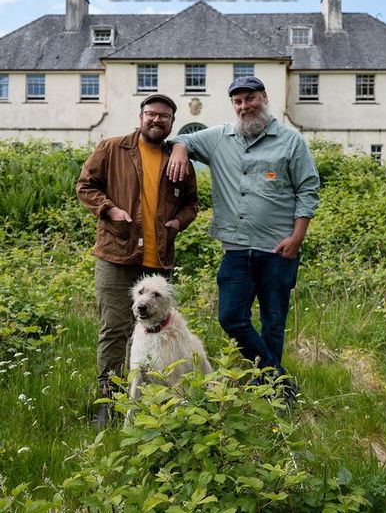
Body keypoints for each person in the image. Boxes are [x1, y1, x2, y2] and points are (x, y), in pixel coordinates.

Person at [167, 76, 319, 403]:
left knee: (273, 323)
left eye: (250, 98)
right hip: (235, 251)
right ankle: (277, 379)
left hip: (279, 250)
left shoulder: (291, 141)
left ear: (264, 97)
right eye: (237, 101)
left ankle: (270, 394)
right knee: (231, 318)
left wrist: (297, 237)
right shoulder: (219, 138)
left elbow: (308, 189)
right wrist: (180, 149)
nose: (244, 106)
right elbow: (183, 139)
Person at [76, 94, 198, 426]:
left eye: (164, 116)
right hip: (117, 253)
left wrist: (179, 222)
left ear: (172, 122)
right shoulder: (112, 148)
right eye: (151, 114)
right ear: (141, 116)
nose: (157, 120)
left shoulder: (177, 158)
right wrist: (109, 209)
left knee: (154, 332)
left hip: (158, 259)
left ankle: (150, 401)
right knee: (115, 329)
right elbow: (85, 186)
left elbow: (191, 203)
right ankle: (110, 400)